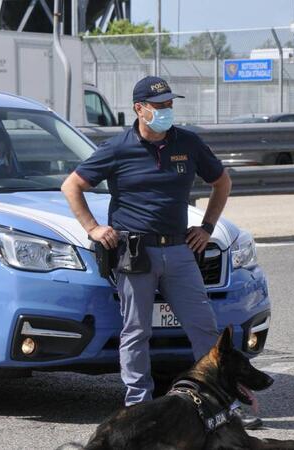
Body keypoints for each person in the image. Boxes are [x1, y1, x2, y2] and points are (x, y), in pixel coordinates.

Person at [61, 76, 262, 429]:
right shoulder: (118, 147)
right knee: (136, 332)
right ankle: (138, 408)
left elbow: (222, 181)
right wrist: (93, 228)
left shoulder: (187, 143)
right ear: (140, 109)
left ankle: (222, 405)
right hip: (135, 253)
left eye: (170, 104)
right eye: (159, 106)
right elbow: (72, 185)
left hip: (180, 251)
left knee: (204, 328)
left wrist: (208, 227)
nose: (167, 111)